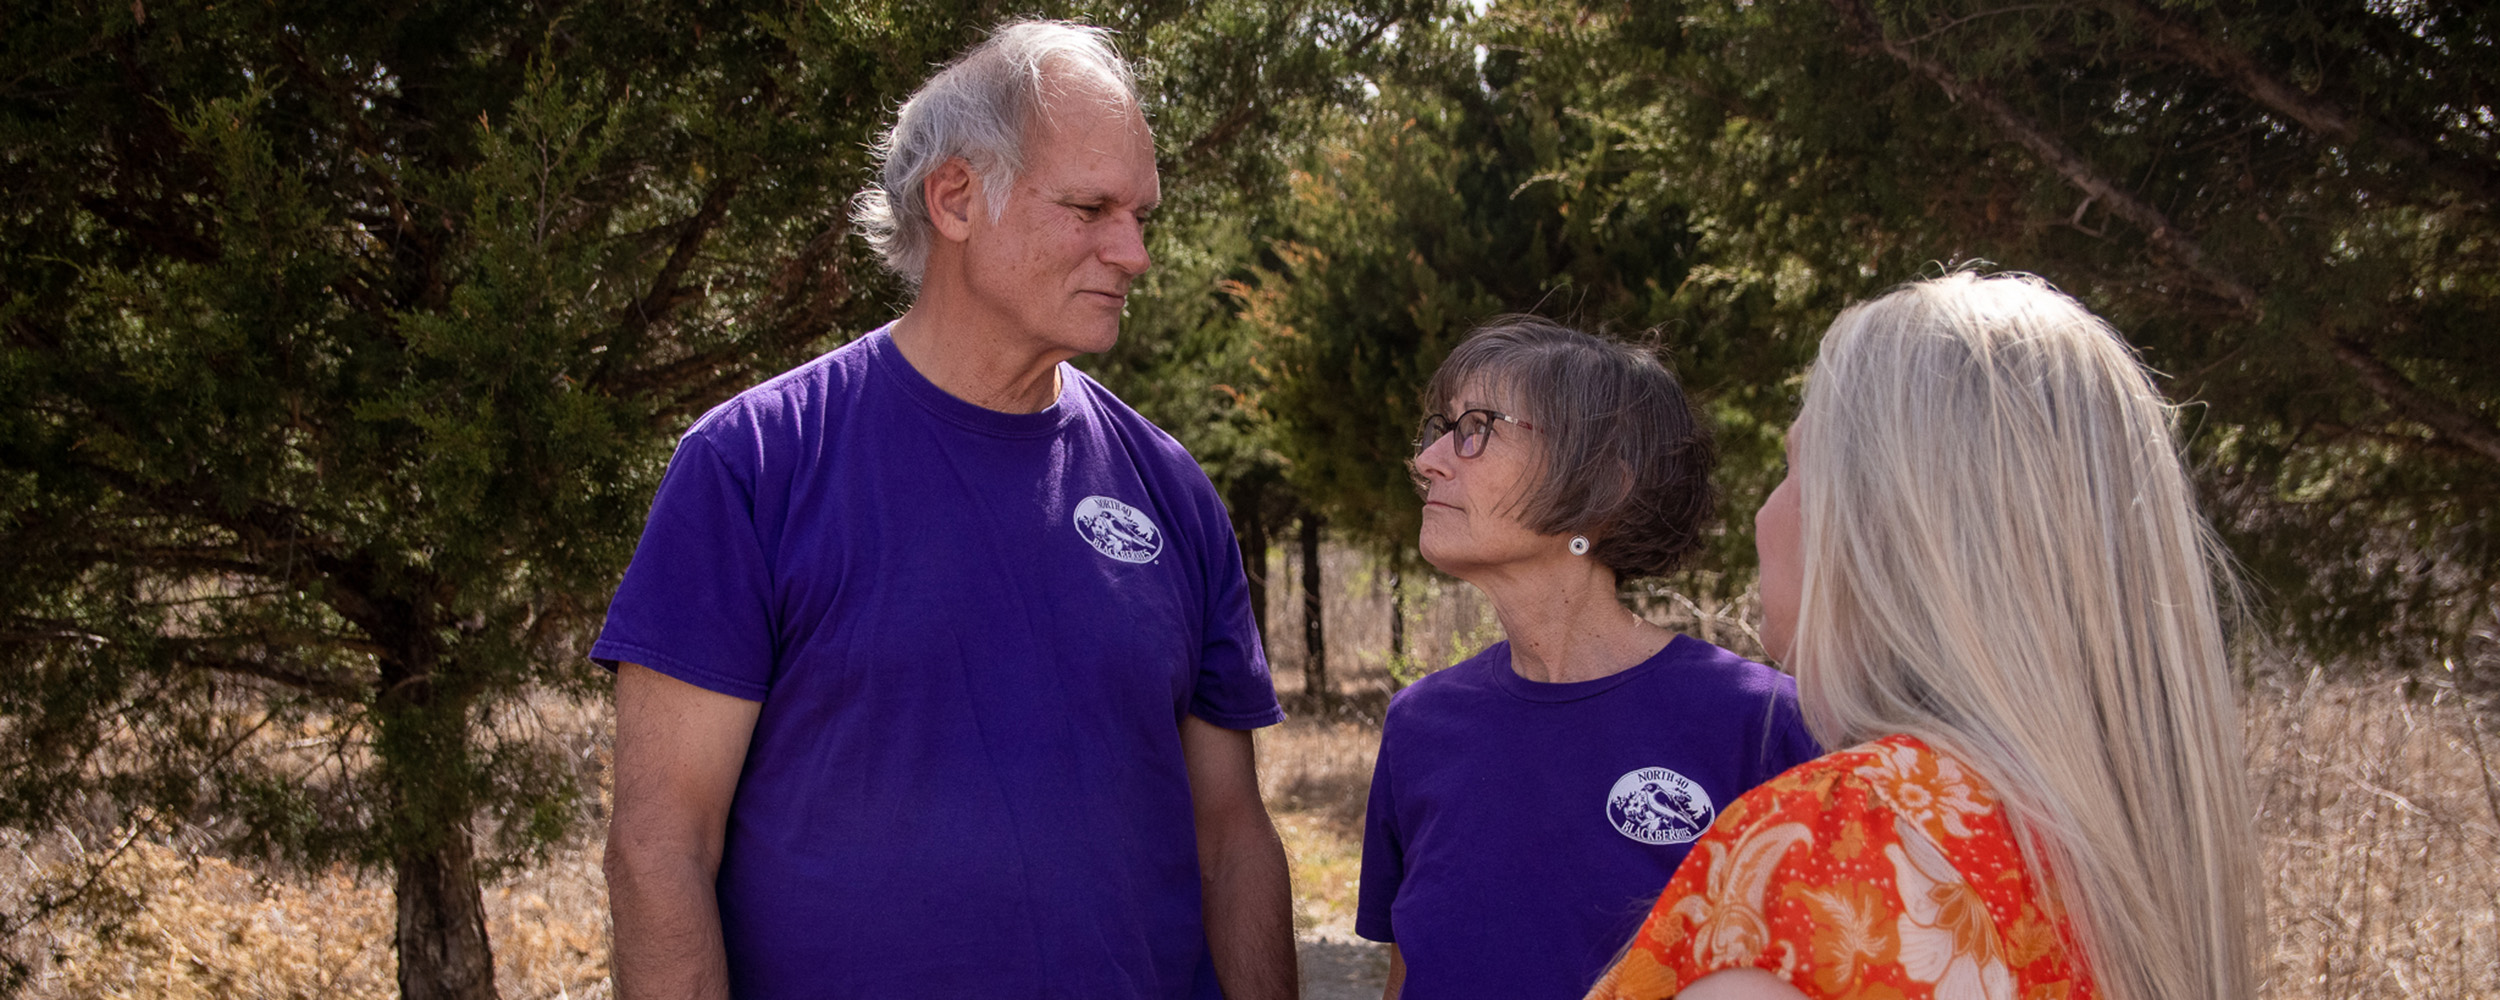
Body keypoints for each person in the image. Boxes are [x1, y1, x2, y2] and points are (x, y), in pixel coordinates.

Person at [594, 21, 1294, 1000]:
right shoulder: (753, 465)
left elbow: (1232, 838)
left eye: (1142, 215)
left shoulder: (1169, 489)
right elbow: (661, 846)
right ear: (957, 198)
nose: (1132, 252)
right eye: (1090, 207)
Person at [1583, 272, 2256, 1000]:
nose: (1764, 513)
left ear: (1883, 526)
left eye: (1795, 469)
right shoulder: (2121, 862)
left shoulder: (1842, 846)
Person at [1356, 317, 1823, 1000]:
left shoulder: (1764, 723)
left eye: (1478, 427)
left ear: (1603, 484)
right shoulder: (1420, 724)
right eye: (1439, 428)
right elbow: (1414, 972)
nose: (1429, 459)